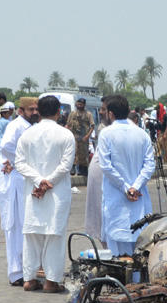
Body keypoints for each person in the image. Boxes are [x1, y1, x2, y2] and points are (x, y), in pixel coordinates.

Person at [15, 94, 76, 292]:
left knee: (32, 234)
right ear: (59, 112)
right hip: (55, 192)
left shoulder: (27, 134)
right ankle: (51, 281)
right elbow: (66, 166)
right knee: (54, 235)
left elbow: (20, 164)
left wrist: (38, 180)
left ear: (38, 112)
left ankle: (29, 279)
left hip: (33, 191)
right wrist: (47, 181)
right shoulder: (66, 135)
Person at [97, 94, 156, 255]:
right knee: (140, 252)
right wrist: (135, 187)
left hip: (117, 200)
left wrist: (125, 188)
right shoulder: (141, 134)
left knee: (118, 256)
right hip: (139, 198)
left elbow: (106, 166)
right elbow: (150, 165)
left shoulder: (106, 134)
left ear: (111, 114)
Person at [0, 97, 39, 284]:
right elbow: (5, 146)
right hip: (13, 183)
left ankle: (26, 270)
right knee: (14, 226)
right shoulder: (16, 126)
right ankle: (16, 273)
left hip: (22, 181)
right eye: (31, 110)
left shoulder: (30, 127)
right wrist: (19, 162)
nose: (35, 112)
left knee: (25, 226)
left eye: (36, 109)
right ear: (21, 111)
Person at [67, 96, 94, 177]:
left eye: (81, 104)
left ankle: (83, 170)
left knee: (83, 153)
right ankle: (73, 168)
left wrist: (87, 136)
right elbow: (68, 124)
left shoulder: (88, 114)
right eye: (78, 104)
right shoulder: (72, 114)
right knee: (74, 152)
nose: (79, 105)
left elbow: (92, 126)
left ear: (84, 105)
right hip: (74, 136)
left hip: (84, 137)